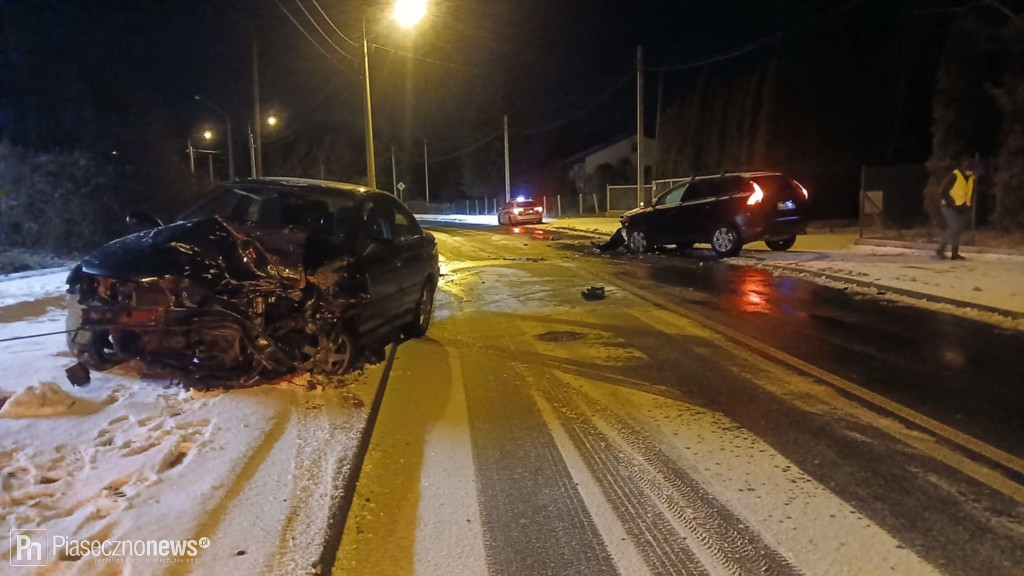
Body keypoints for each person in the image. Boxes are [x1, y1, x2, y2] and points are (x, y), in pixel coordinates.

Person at [936, 159, 976, 261]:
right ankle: (940, 250)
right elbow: (942, 191)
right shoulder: (955, 175)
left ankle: (955, 254)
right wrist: (951, 202)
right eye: (970, 170)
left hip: (962, 208)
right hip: (949, 207)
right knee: (954, 228)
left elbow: (969, 193)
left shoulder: (971, 178)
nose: (971, 173)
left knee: (958, 230)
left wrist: (967, 206)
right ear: (965, 169)